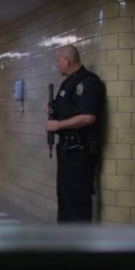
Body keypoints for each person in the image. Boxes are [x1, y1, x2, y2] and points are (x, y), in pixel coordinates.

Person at [44, 44, 104, 223]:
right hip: (67, 150)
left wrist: (58, 125)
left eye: (58, 61)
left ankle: (78, 246)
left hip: (79, 151)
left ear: (67, 60)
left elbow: (88, 117)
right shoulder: (68, 82)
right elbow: (66, 108)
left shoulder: (87, 82)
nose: (57, 65)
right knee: (65, 198)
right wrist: (52, 109)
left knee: (77, 201)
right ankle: (65, 245)